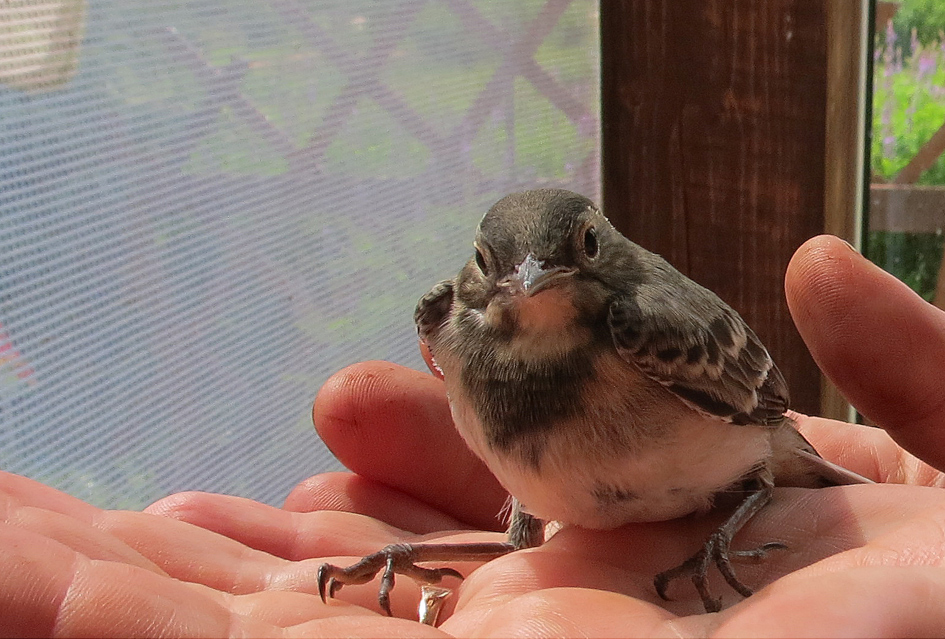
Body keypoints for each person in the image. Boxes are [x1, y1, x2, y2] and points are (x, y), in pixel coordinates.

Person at [3, 235, 945, 637]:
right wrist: (493, 543)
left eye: (569, 256)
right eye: (501, 268)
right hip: (552, 506)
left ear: (598, 248)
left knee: (759, 479)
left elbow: (762, 413)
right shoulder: (452, 329)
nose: (533, 281)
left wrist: (746, 512)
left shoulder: (650, 325)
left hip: (739, 463)